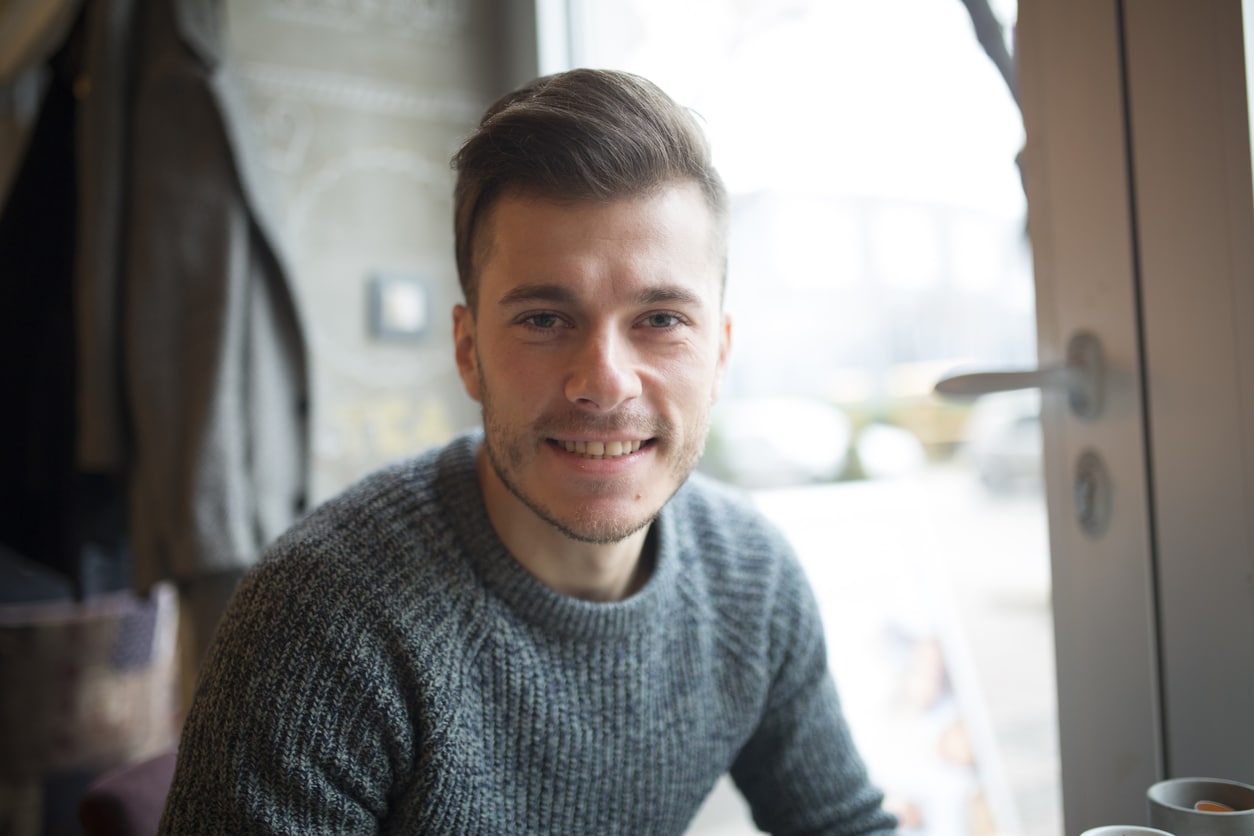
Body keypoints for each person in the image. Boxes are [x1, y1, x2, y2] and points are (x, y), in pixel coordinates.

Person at [159, 68, 897, 835]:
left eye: (661, 319)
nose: (605, 383)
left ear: (719, 355)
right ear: (468, 350)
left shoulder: (753, 581)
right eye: (545, 318)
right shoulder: (321, 619)